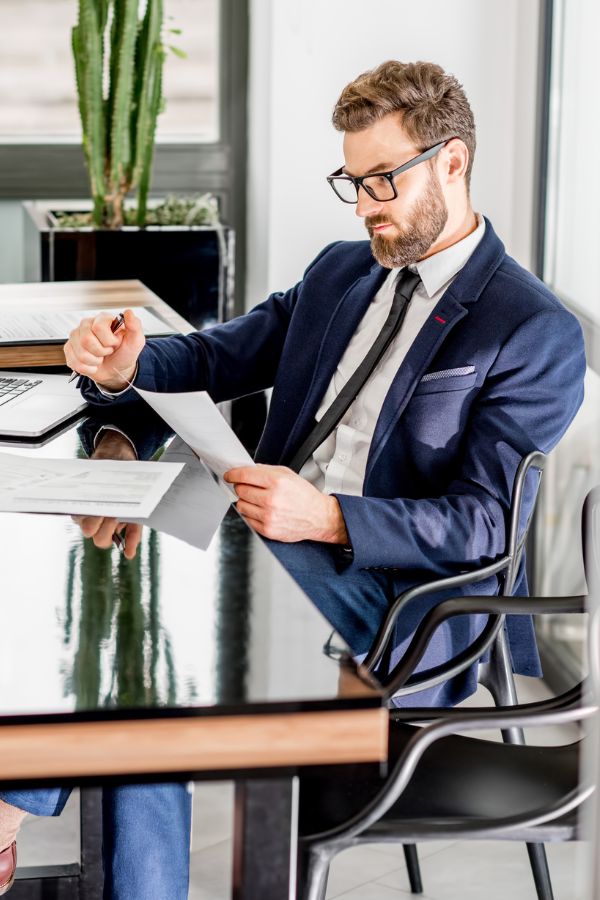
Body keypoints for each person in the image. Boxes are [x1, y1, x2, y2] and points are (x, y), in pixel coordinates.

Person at [0, 60, 586, 897]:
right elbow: (215, 353)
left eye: (384, 179)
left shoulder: (530, 329)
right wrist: (127, 366)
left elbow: (486, 523)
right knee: (125, 615)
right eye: (354, 182)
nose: (367, 205)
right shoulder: (344, 272)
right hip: (263, 530)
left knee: (151, 641)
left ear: (452, 162)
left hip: (395, 590)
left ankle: (12, 807)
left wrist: (332, 518)